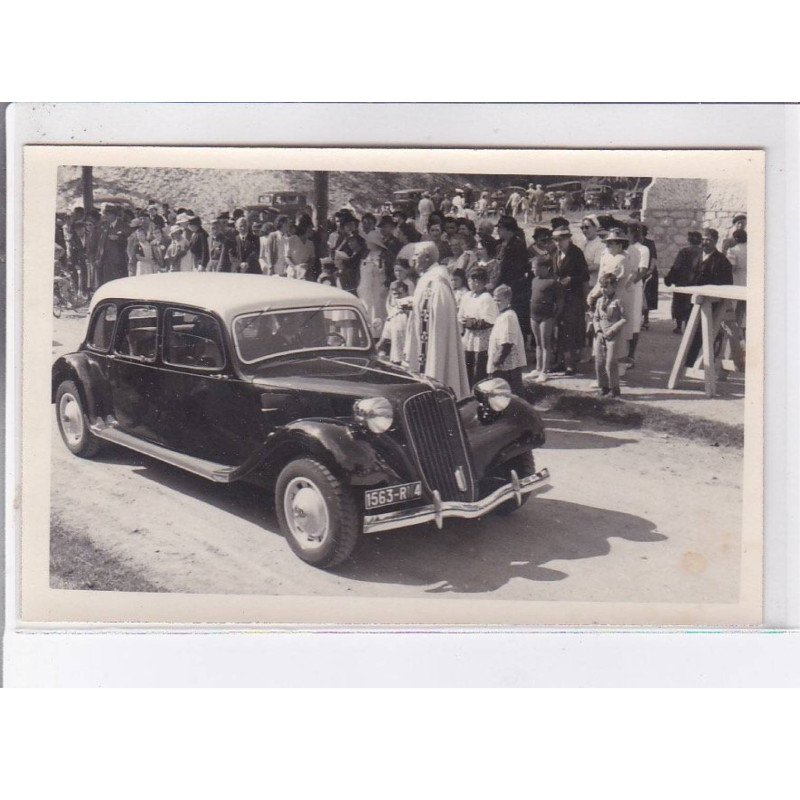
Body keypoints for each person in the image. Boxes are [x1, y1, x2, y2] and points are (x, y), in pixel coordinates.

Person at [403, 241, 470, 399]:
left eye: (416, 255)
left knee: (435, 367)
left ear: (427, 258)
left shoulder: (437, 281)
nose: (413, 259)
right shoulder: (428, 278)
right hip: (425, 335)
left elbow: (437, 313)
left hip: (434, 340)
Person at [552, 225, 590, 374]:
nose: (558, 242)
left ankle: (570, 363)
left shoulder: (576, 253)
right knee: (559, 329)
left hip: (574, 297)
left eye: (561, 239)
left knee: (571, 330)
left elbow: (585, 276)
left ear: (568, 238)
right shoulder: (556, 254)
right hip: (560, 296)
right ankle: (561, 361)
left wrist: (571, 279)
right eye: (555, 239)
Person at [458, 267, 498, 386]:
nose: (473, 283)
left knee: (479, 367)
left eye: (477, 281)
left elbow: (490, 320)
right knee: (467, 365)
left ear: (484, 282)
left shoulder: (486, 298)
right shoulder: (467, 296)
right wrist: (463, 321)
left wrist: (473, 322)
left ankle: (478, 391)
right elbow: (461, 314)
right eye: (471, 280)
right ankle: (467, 390)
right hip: (469, 336)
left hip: (482, 338)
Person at [495, 215, 532, 339]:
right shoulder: (501, 244)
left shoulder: (517, 245)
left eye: (500, 228)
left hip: (514, 288)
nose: (498, 231)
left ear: (508, 230)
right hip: (502, 286)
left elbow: (516, 269)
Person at [529, 255, 564, 383]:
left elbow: (560, 303)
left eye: (535, 267)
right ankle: (538, 368)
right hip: (534, 315)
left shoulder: (553, 282)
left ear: (545, 268)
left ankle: (545, 371)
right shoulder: (534, 280)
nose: (533, 269)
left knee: (545, 344)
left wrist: (554, 317)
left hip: (546, 317)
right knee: (537, 343)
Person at [488, 284, 527, 396]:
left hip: (507, 366)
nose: (496, 303)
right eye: (494, 300)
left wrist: (496, 362)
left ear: (508, 299)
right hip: (503, 364)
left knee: (510, 395)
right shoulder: (502, 315)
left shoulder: (508, 316)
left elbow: (507, 342)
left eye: (499, 301)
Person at [592, 273, 627, 398]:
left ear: (614, 286)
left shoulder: (619, 301)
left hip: (613, 335)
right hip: (601, 335)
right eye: (601, 286)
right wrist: (598, 331)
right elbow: (596, 318)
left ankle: (614, 389)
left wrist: (612, 330)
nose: (603, 289)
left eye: (606, 287)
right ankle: (603, 387)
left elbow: (624, 319)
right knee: (599, 362)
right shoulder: (600, 301)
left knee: (611, 362)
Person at [620, 222, 650, 367]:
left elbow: (642, 271)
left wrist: (628, 284)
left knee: (634, 321)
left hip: (634, 288)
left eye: (628, 233)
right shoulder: (622, 248)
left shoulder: (643, 249)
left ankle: (630, 355)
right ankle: (620, 354)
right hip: (620, 287)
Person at [664, 230, 702, 333]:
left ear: (689, 240)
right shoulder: (702, 252)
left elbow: (676, 266)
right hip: (696, 281)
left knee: (679, 303)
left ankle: (679, 327)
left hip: (682, 281)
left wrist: (669, 278)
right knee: (691, 304)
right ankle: (689, 327)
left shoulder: (684, 251)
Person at [358, 231, 390, 338]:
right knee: (367, 310)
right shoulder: (366, 254)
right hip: (366, 289)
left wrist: (385, 285)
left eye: (368, 240)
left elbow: (389, 273)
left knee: (378, 312)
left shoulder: (384, 256)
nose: (366, 242)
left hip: (378, 288)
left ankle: (379, 338)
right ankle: (368, 336)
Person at [377, 281, 412, 364]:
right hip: (396, 354)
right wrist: (377, 347)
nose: (397, 296)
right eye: (395, 294)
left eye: (399, 293)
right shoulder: (393, 310)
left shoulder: (412, 305)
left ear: (406, 292)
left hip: (410, 353)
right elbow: (386, 335)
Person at [95, 205, 129, 286]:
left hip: (119, 261)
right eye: (106, 214)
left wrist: (118, 239)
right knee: (108, 283)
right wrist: (98, 257)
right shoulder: (104, 226)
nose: (107, 216)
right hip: (107, 261)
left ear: (114, 215)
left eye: (109, 214)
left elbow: (128, 241)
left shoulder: (123, 225)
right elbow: (101, 244)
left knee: (119, 283)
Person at [333, 214, 367, 293]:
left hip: (357, 271)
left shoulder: (360, 238)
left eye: (352, 224)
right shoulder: (341, 238)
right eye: (347, 225)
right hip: (345, 272)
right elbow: (336, 252)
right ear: (343, 227)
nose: (350, 227)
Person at [641, 224, 659, 329]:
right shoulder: (634, 243)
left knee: (647, 296)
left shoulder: (650, 243)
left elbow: (653, 258)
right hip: (639, 271)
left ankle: (646, 320)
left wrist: (650, 270)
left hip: (648, 272)